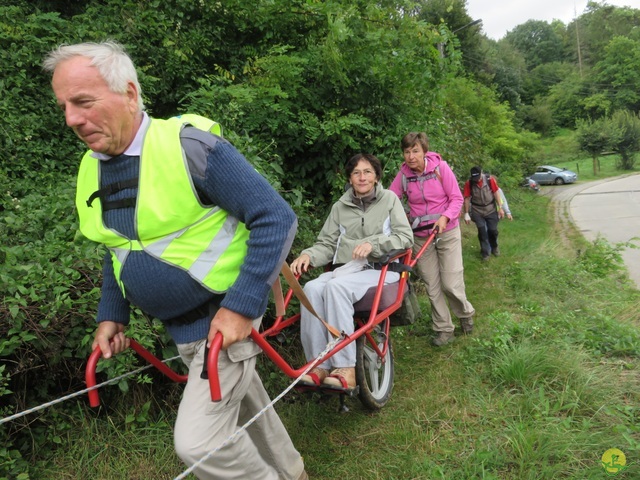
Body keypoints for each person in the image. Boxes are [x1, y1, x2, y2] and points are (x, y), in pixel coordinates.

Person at [43, 41, 307, 480]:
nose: (71, 118)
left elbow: (275, 217)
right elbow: (120, 248)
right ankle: (292, 471)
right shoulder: (92, 167)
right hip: (184, 330)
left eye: (83, 102)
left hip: (222, 323)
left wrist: (241, 306)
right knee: (247, 406)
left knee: (198, 444)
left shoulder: (189, 148)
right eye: (65, 106)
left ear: (129, 93)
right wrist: (113, 314)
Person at [290, 154, 413, 389]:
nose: (362, 177)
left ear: (376, 176)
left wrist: (374, 244)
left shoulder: (389, 200)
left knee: (336, 288)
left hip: (381, 268)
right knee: (311, 288)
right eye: (356, 173)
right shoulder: (340, 207)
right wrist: (308, 255)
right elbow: (326, 244)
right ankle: (318, 364)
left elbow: (405, 238)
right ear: (350, 178)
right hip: (347, 269)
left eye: (367, 172)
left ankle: (345, 367)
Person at [389, 132, 475, 346]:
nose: (411, 156)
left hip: (447, 232)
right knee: (432, 284)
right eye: (407, 152)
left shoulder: (440, 168)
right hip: (420, 237)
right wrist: (402, 219)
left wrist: (445, 217)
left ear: (424, 151)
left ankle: (465, 314)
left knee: (450, 283)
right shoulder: (403, 175)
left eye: (415, 151)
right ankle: (444, 328)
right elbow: (390, 200)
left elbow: (456, 198)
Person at [463, 166, 505, 261]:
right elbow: (467, 198)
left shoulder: (490, 180)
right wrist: (466, 213)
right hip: (477, 210)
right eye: (474, 178)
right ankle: (485, 253)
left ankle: (494, 247)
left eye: (477, 178)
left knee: (493, 230)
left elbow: (496, 193)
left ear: (481, 173)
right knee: (482, 232)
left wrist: (500, 208)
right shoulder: (469, 183)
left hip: (491, 209)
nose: (476, 180)